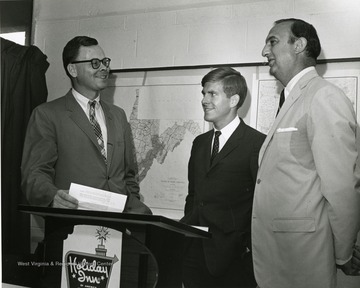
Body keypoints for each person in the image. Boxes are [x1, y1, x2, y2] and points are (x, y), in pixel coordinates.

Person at [252, 18, 360, 288]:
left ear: (299, 45)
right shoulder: (292, 98)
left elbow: (342, 187)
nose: (265, 51)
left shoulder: (323, 97)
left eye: (273, 41)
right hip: (281, 256)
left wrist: (342, 253)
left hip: (304, 259)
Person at [21, 36, 151, 214]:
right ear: (73, 69)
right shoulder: (47, 115)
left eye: (105, 61)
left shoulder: (118, 115)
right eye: (95, 63)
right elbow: (34, 173)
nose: (105, 68)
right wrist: (53, 196)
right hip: (71, 226)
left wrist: (133, 210)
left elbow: (128, 175)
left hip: (117, 228)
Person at [180, 67, 266, 288]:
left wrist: (247, 248)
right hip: (192, 254)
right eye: (203, 93)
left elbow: (261, 203)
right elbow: (194, 195)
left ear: (233, 99)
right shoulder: (199, 143)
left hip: (234, 260)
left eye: (212, 94)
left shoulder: (257, 144)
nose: (204, 100)